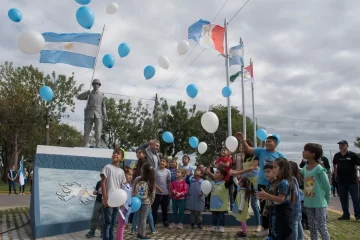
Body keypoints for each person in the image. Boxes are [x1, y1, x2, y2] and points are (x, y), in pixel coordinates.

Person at [236, 132, 285, 233]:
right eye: (266, 141)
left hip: (275, 184)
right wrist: (242, 140)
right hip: (262, 183)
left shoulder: (280, 155)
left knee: (273, 206)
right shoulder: (261, 151)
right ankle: (265, 227)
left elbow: (285, 168)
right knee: (263, 206)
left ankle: (274, 228)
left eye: (269, 141)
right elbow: (248, 149)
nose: (266, 143)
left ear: (275, 143)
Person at [257, 158, 295, 240]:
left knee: (282, 235)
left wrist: (267, 195)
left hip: (283, 213)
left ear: (282, 169)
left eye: (274, 167)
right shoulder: (279, 181)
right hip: (278, 212)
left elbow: (281, 199)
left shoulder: (284, 182)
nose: (273, 169)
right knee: (276, 234)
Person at [230, 139, 262, 232]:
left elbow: (251, 168)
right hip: (245, 182)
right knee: (243, 204)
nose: (242, 147)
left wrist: (238, 172)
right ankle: (243, 226)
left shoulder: (256, 156)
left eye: (243, 146)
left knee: (254, 204)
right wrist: (234, 171)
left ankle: (259, 224)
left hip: (254, 182)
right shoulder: (245, 157)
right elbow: (242, 167)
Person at [301, 143, 330, 240]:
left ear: (313, 154)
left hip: (320, 204)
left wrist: (327, 202)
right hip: (308, 203)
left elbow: (327, 186)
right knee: (312, 227)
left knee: (322, 227)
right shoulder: (305, 168)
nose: (303, 152)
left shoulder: (319, 169)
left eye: (305, 150)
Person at [101, 148, 126, 240]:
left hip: (116, 201)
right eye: (114, 153)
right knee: (107, 224)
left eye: (118, 153)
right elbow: (103, 183)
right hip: (108, 201)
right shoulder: (107, 167)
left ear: (122, 158)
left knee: (113, 224)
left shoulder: (121, 171)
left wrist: (121, 200)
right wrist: (105, 198)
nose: (115, 154)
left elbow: (120, 186)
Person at [333, 140, 360, 221]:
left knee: (356, 199)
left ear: (347, 146)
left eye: (343, 145)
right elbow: (334, 163)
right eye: (340, 145)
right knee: (343, 199)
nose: (341, 146)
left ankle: (358, 216)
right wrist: (335, 172)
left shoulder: (352, 155)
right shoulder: (337, 155)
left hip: (352, 181)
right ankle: (345, 215)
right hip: (341, 181)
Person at [133, 162, 156, 240]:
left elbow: (133, 189)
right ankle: (142, 235)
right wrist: (151, 201)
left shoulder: (138, 178)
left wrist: (134, 198)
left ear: (143, 170)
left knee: (139, 217)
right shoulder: (151, 180)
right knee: (144, 218)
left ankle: (138, 234)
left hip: (137, 201)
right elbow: (153, 192)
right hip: (146, 201)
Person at [207, 168, 231, 233]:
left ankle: (221, 226)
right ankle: (214, 226)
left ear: (222, 176)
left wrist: (232, 174)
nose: (215, 174)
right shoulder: (212, 183)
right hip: (214, 204)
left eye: (217, 172)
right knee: (214, 216)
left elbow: (230, 181)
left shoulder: (225, 183)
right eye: (215, 172)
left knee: (221, 217)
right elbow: (206, 191)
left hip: (221, 204)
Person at [152, 158, 171, 227]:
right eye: (161, 161)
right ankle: (154, 221)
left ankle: (165, 221)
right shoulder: (155, 170)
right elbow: (152, 180)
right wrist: (158, 188)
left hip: (165, 193)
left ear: (166, 163)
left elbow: (169, 182)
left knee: (164, 208)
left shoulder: (168, 171)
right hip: (156, 192)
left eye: (164, 161)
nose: (162, 162)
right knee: (155, 208)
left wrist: (169, 191)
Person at [115, 167, 133, 240]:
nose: (130, 176)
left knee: (122, 225)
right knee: (121, 225)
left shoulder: (128, 185)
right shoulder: (121, 185)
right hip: (122, 207)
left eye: (132, 175)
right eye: (129, 174)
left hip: (127, 207)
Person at [289, 161, 304, 240]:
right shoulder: (298, 177)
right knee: (298, 222)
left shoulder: (292, 179)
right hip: (299, 202)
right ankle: (300, 238)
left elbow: (294, 194)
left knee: (294, 223)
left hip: (294, 204)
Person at [262, 162, 276, 239]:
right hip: (270, 210)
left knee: (275, 229)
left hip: (275, 211)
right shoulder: (269, 183)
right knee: (271, 227)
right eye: (265, 172)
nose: (266, 174)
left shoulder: (277, 183)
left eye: (268, 171)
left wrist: (267, 196)